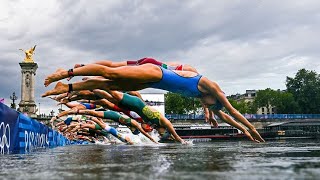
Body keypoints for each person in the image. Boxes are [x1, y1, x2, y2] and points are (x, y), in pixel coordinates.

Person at [42, 63, 264, 142]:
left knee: (110, 86)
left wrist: (244, 131)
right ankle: (66, 74)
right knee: (111, 73)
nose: (215, 110)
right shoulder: (212, 87)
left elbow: (226, 116)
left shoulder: (211, 103)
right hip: (157, 74)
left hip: (154, 83)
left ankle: (68, 88)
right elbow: (233, 110)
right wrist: (251, 127)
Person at [62, 108, 158, 144]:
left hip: (112, 126)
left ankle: (81, 115)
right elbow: (144, 133)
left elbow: (144, 134)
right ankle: (78, 113)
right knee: (96, 117)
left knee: (100, 122)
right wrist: (153, 140)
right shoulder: (137, 124)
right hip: (115, 116)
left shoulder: (137, 126)